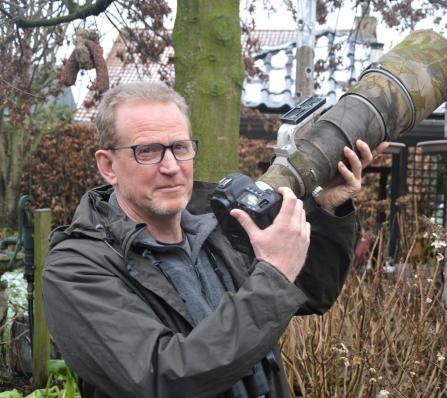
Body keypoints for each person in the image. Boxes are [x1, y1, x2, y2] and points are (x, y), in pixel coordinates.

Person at [42, 81, 386, 398]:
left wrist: (325, 209)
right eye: (147, 151)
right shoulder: (77, 268)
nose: (171, 166)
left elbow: (312, 294)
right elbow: (162, 377)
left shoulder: (219, 226)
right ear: (108, 166)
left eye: (180, 147)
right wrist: (275, 272)